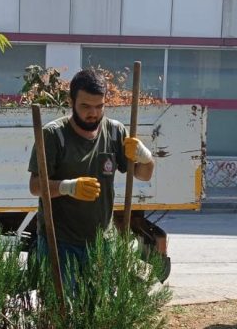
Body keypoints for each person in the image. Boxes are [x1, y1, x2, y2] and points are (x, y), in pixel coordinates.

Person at [28, 68, 155, 278]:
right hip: (60, 243)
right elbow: (35, 186)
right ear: (71, 101)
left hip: (102, 244)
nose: (93, 113)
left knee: (98, 307)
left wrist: (145, 157)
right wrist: (68, 187)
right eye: (85, 106)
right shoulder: (53, 135)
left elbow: (144, 175)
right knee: (60, 308)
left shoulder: (115, 132)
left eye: (99, 106)